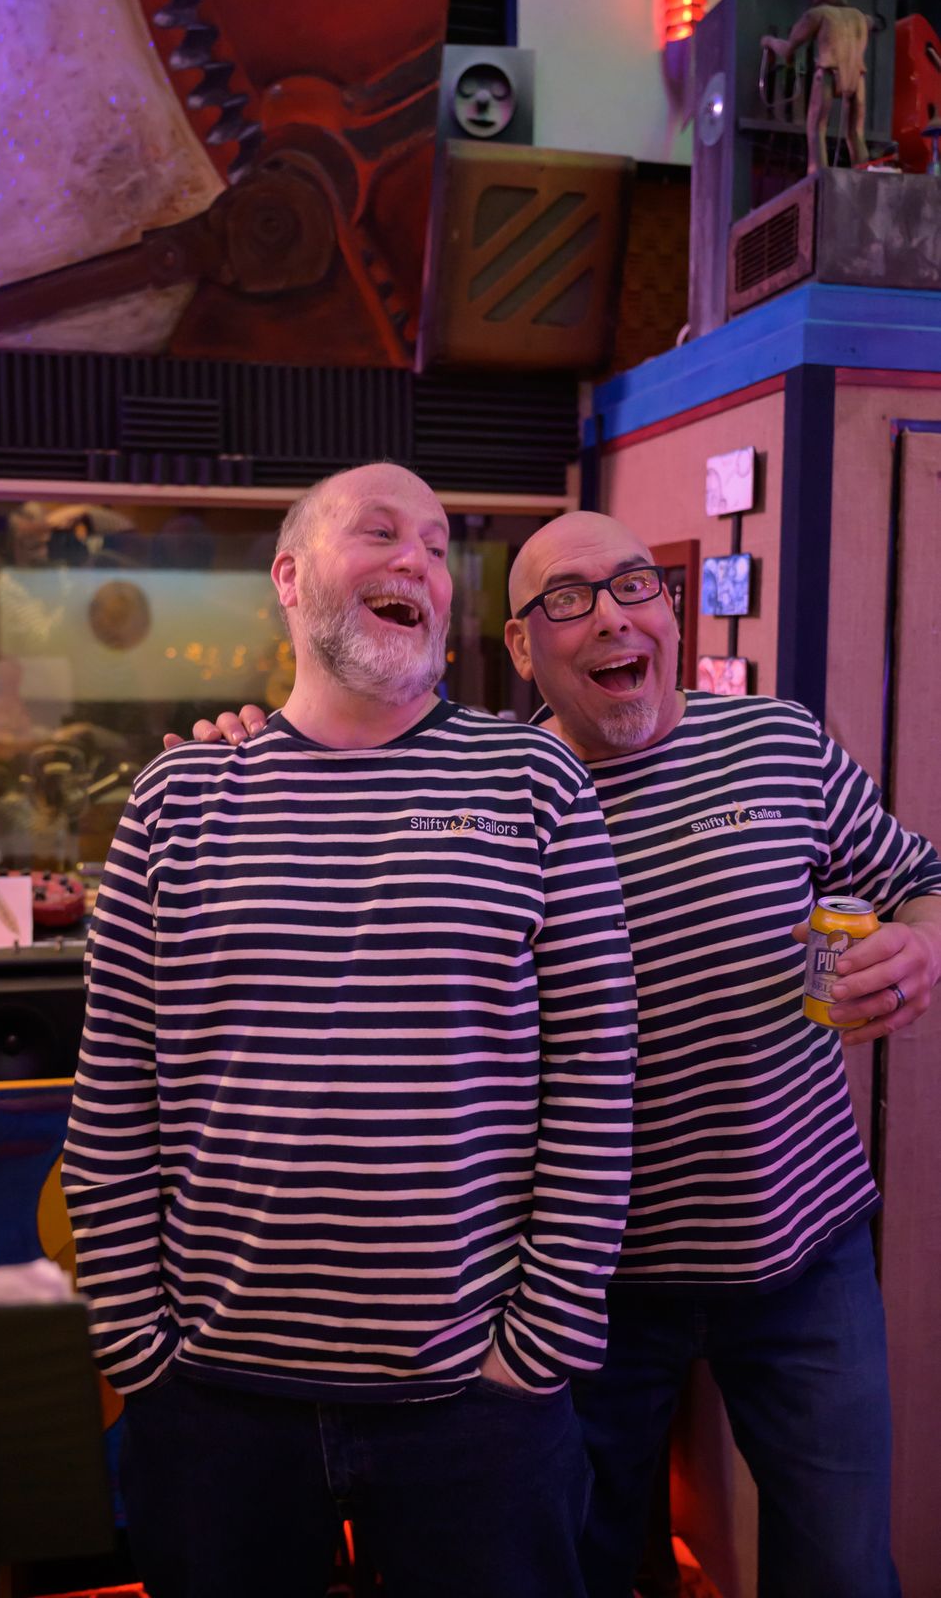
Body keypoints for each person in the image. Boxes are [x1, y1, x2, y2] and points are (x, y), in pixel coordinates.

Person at [192, 505, 941, 1598]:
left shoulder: (777, 742)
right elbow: (340, 779)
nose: (613, 619)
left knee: (840, 1567)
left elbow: (918, 877)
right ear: (520, 646)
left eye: (635, 586)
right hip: (587, 1283)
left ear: (670, 614)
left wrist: (920, 947)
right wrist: (251, 750)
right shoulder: (491, 785)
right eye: (567, 600)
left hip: (801, 1256)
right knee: (572, 1564)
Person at [64, 465, 638, 1598]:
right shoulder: (178, 800)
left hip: (474, 1405)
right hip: (215, 1406)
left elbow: (595, 1080)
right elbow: (113, 1099)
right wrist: (140, 1353)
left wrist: (539, 1346)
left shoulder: (533, 781)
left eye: (435, 543)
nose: (418, 561)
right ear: (289, 577)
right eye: (379, 532)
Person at [762, 0, 872, 174]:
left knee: (816, 129)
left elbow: (788, 49)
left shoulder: (818, 14)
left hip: (829, 73)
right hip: (857, 79)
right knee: (856, 133)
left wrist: (768, 41)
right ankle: (864, 178)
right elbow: (870, 23)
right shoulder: (860, 18)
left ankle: (818, 180)